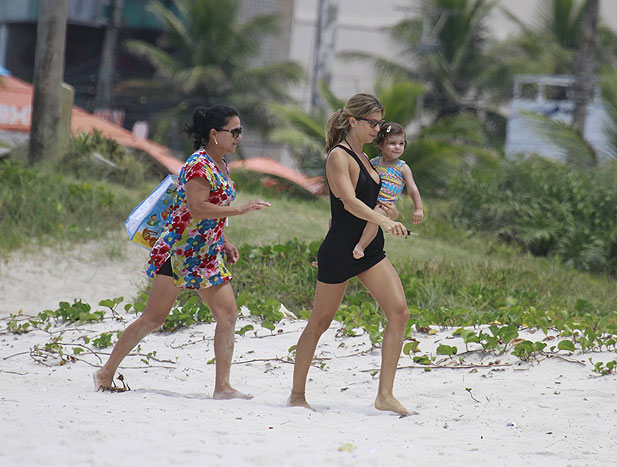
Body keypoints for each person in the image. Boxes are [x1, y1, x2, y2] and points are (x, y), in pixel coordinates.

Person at [93, 105, 271, 399]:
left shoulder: (221, 164)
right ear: (215, 134)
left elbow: (207, 212)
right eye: (234, 131)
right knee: (154, 318)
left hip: (206, 252)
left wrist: (223, 240)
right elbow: (197, 208)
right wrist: (240, 209)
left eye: (240, 131)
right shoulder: (198, 164)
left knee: (228, 314)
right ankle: (106, 371)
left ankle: (223, 387)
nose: (239, 137)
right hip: (179, 253)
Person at [288, 93, 413, 416]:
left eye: (380, 124)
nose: (378, 130)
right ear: (353, 121)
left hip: (370, 249)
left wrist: (391, 212)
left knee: (399, 312)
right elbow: (347, 201)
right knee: (320, 322)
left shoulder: (370, 160)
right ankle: (297, 394)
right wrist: (383, 220)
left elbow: (377, 201)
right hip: (341, 249)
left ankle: (385, 394)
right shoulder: (338, 156)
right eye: (372, 123)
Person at [353, 122, 423, 260]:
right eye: (392, 143)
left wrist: (418, 208)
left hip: (385, 205)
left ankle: (361, 246)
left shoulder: (402, 167)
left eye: (401, 144)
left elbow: (412, 188)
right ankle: (331, 250)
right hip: (369, 200)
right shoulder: (374, 162)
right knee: (340, 218)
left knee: (376, 216)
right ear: (380, 145)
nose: (397, 147)